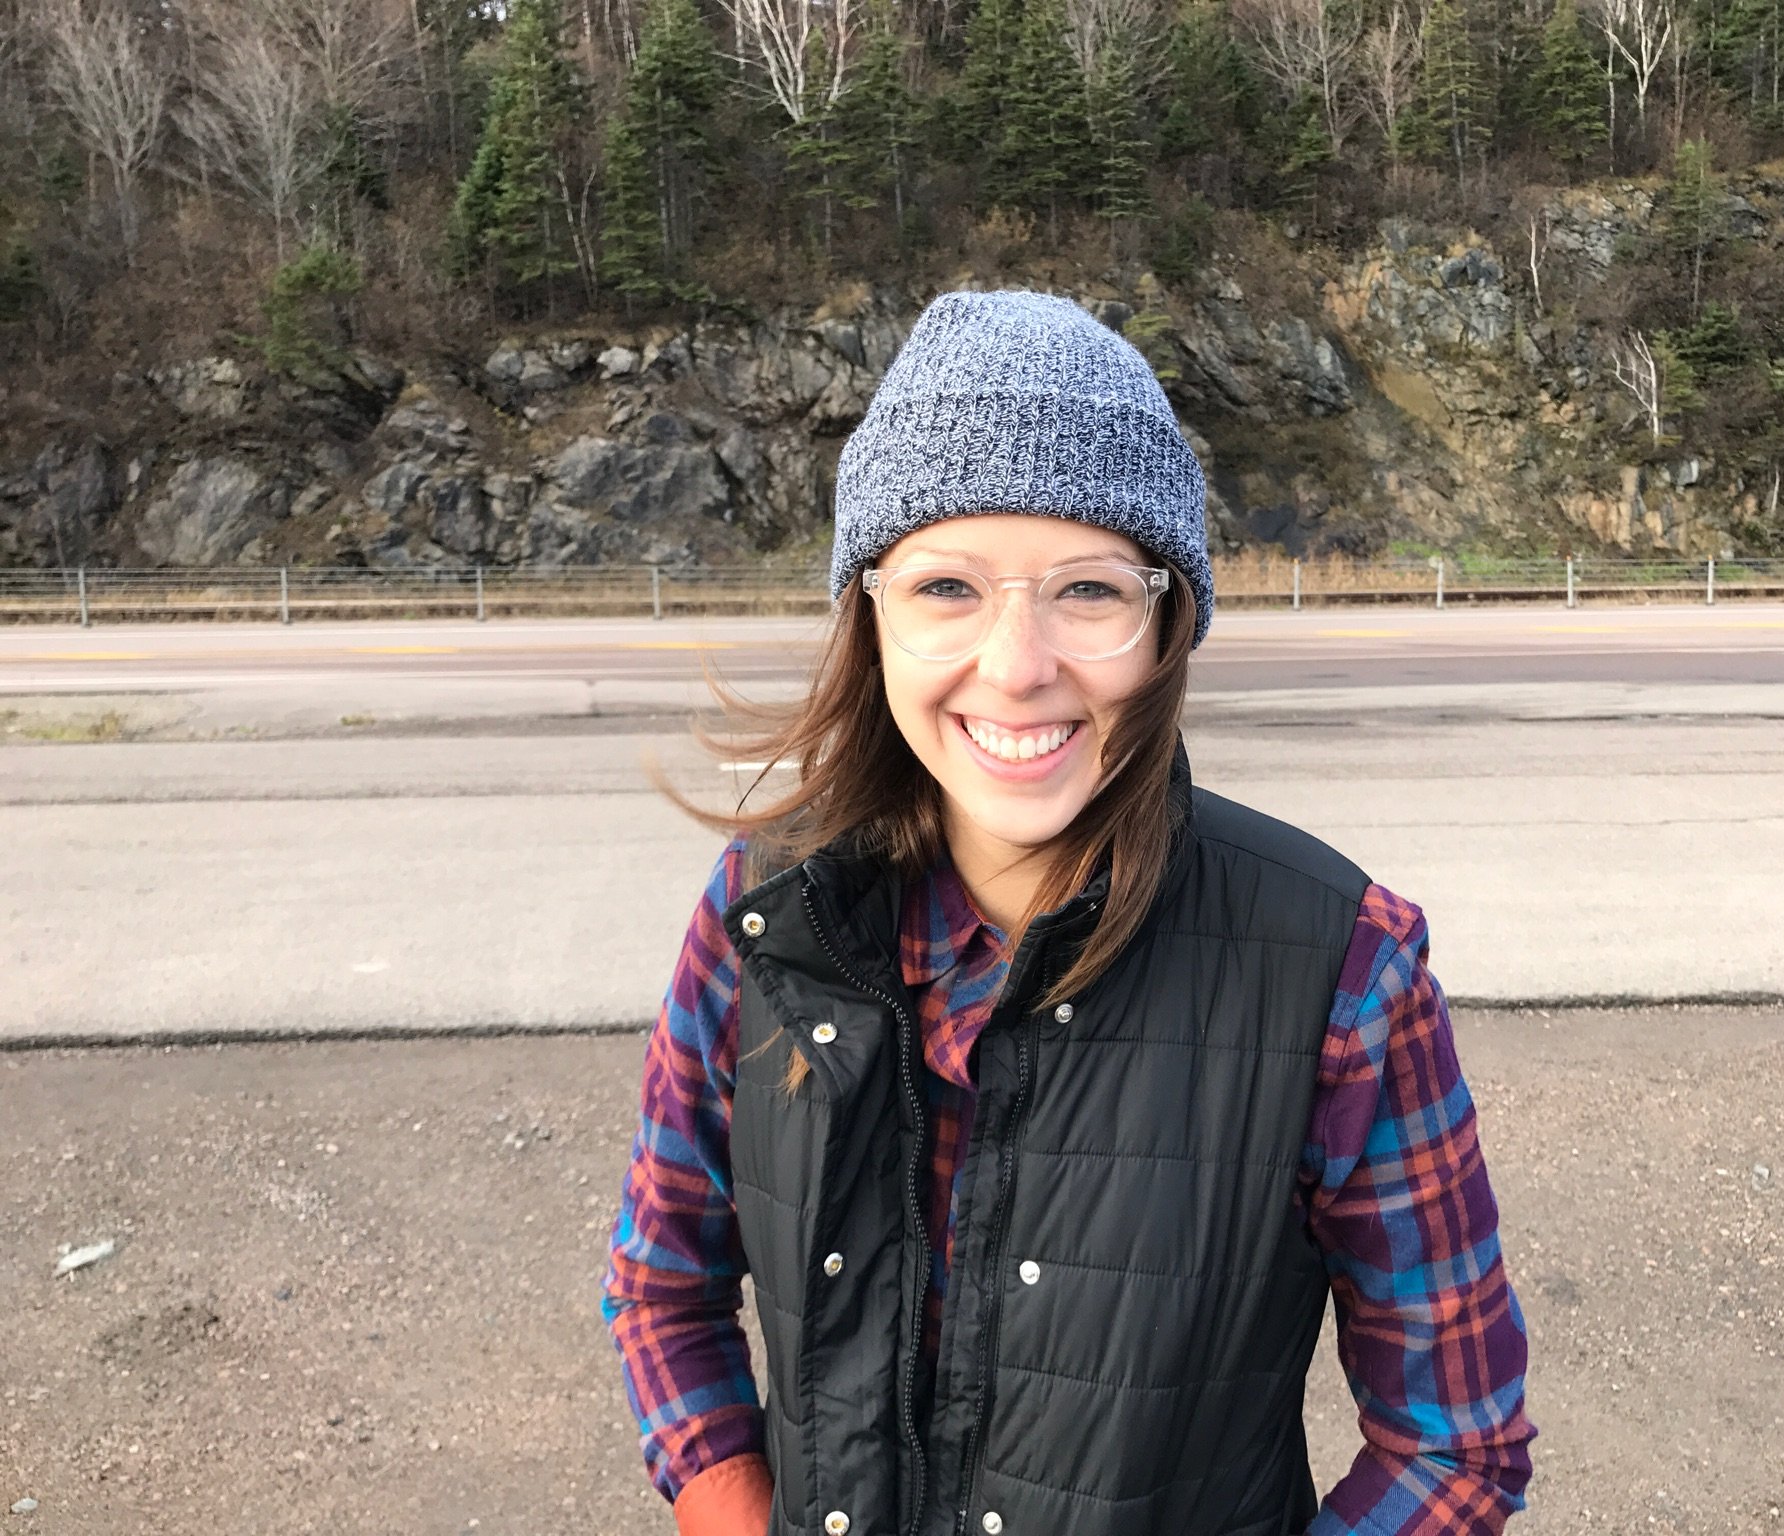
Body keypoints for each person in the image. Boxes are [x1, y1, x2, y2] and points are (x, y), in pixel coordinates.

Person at [603, 289, 1534, 1536]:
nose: (1015, 664)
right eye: (945, 586)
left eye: (1087, 591)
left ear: (1165, 623)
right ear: (869, 613)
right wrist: (726, 1504)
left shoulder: (1341, 971)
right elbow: (660, 1286)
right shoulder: (763, 912)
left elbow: (1454, 1448)